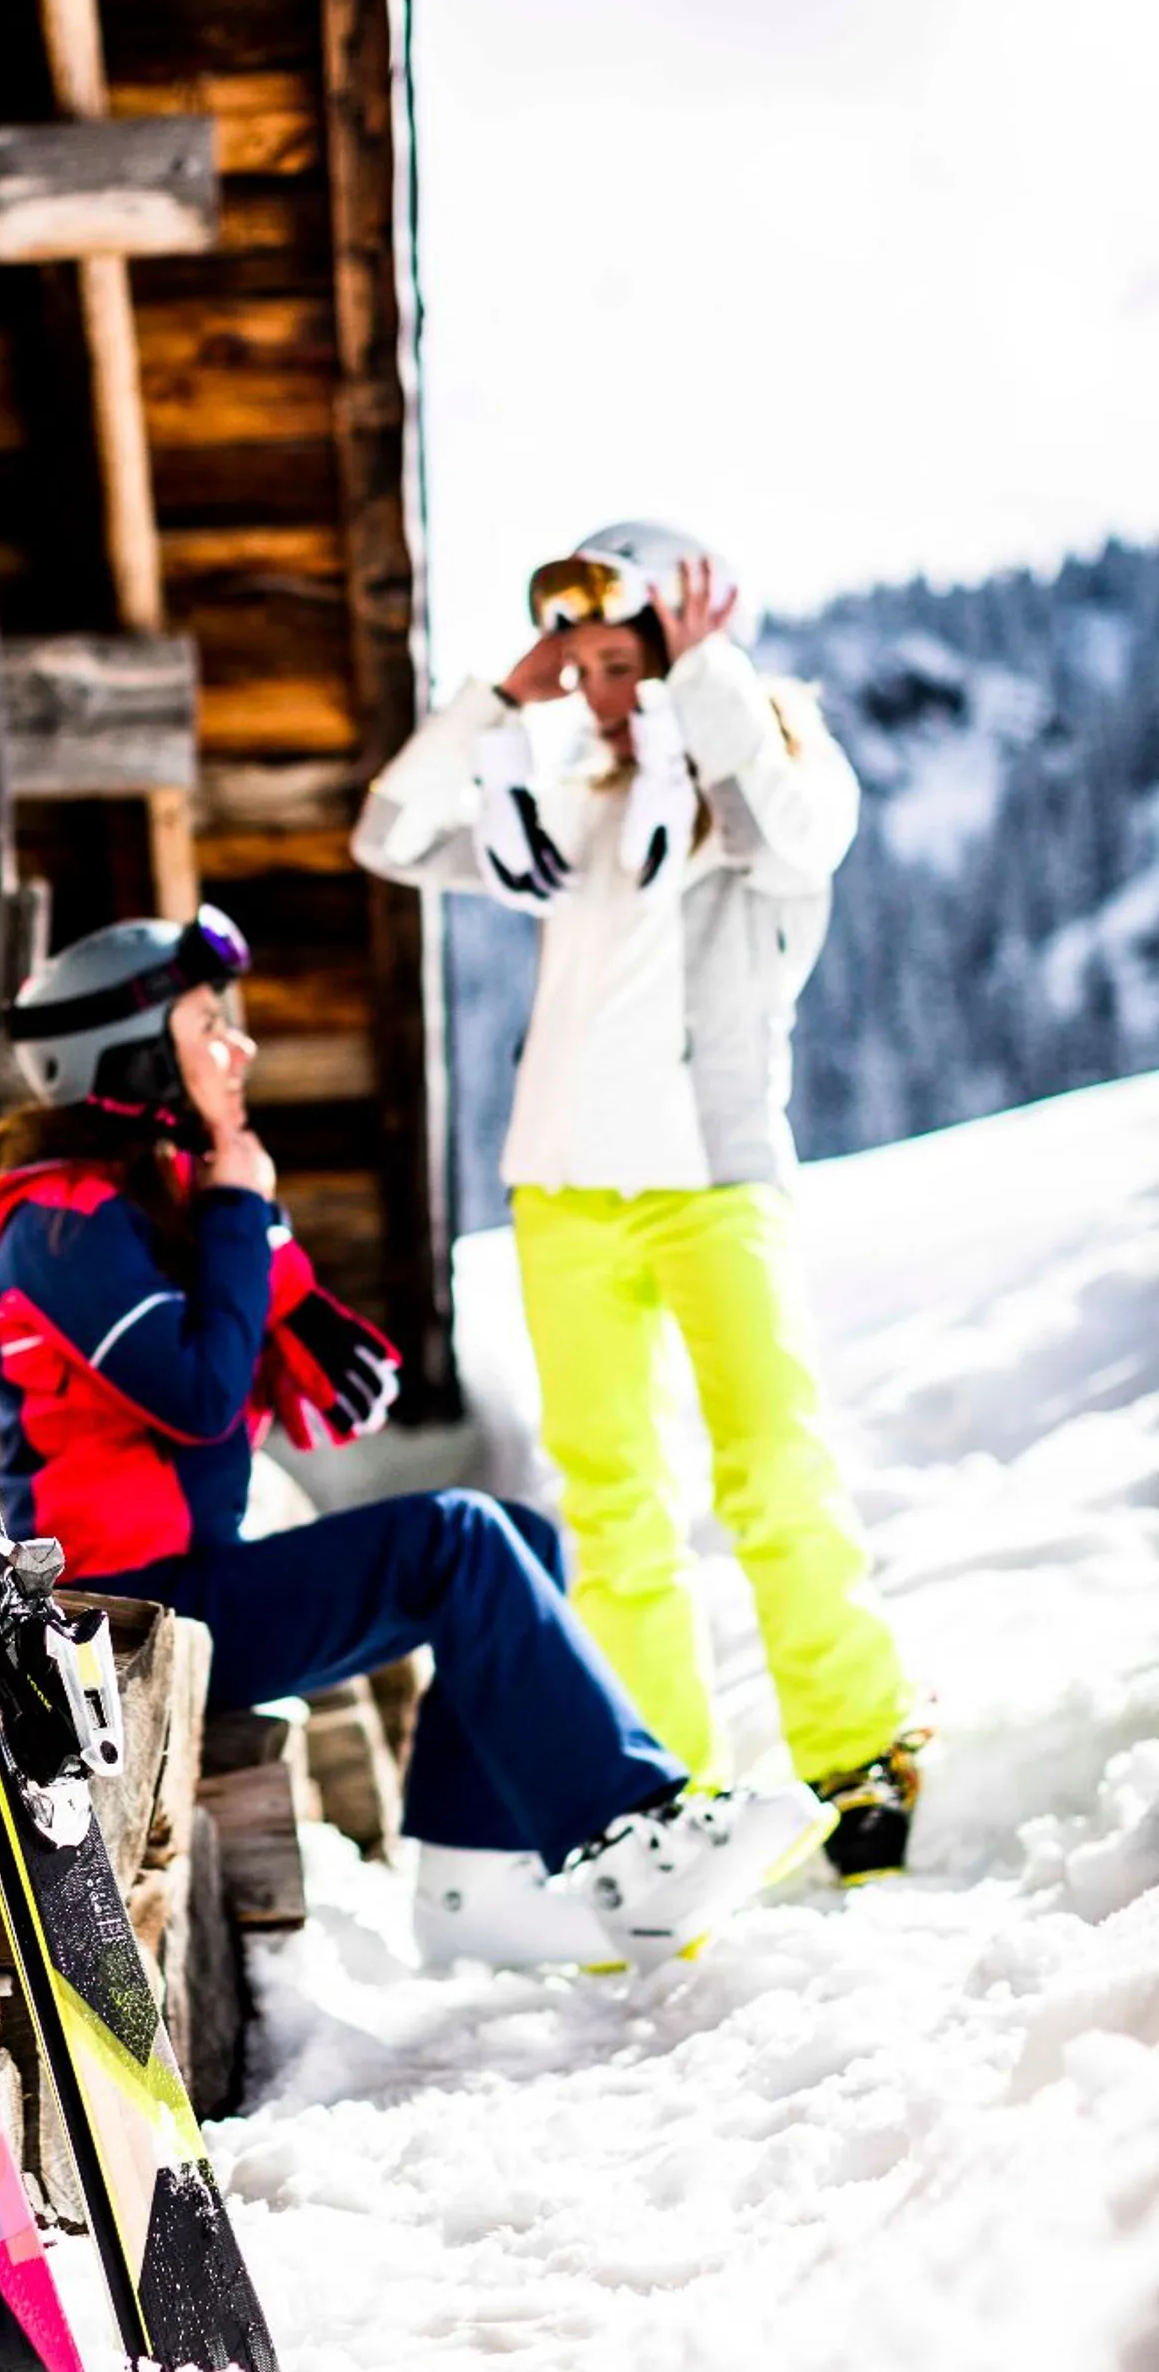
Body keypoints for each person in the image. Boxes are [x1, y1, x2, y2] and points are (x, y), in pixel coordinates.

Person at [0, 904, 832, 1968]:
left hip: (179, 1587)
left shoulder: (137, 1206)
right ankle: (630, 1838)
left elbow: (252, 1389)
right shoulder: (56, 1221)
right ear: (131, 1064)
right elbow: (191, 1392)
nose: (240, 1048)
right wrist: (237, 1215)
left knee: (515, 1538)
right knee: (456, 1542)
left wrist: (253, 1258)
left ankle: (478, 1883)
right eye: (206, 1027)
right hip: (114, 1621)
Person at [353, 519, 922, 1878]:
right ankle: (666, 1794)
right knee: (613, 1507)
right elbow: (389, 832)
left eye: (630, 658)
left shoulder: (769, 782)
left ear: (689, 647)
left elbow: (804, 834)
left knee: (773, 1469)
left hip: (713, 1184)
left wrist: (706, 676)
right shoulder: (560, 804)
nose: (608, 690)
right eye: (588, 664)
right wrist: (506, 693)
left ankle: (860, 1757)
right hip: (564, 1192)